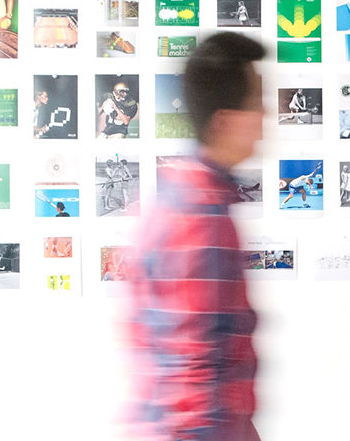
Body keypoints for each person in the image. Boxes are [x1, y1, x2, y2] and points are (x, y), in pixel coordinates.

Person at [124, 32, 265, 441]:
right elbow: (194, 378)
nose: (265, 116)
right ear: (225, 121)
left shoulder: (186, 196)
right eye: (257, 103)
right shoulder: (200, 216)